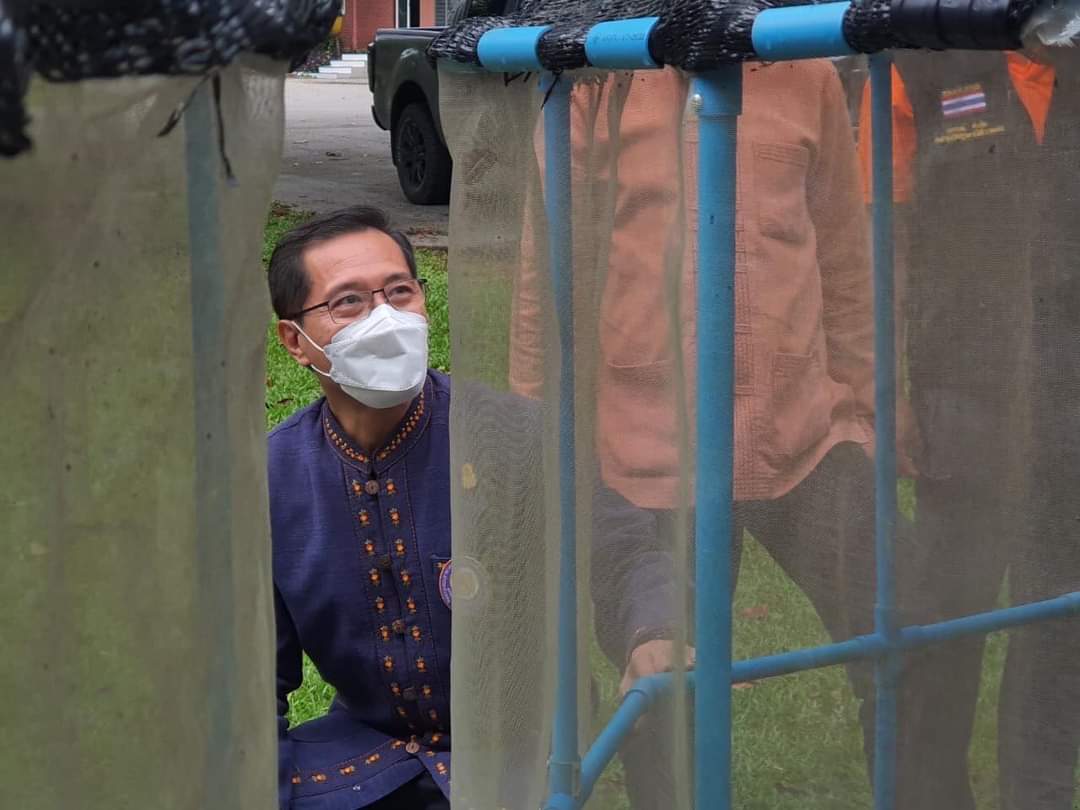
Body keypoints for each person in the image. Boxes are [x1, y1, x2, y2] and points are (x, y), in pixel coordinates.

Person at [509, 61, 917, 807]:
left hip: (803, 432)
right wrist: (534, 433)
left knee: (912, 639)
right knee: (668, 683)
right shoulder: (599, 78)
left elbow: (843, 259)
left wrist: (867, 414)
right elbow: (549, 278)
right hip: (649, 445)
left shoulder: (806, 72)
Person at [266, 205, 685, 810]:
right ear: (294, 341)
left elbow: (624, 551)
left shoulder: (516, 435)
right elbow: (252, 683)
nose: (385, 318)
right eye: (349, 302)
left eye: (400, 292)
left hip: (520, 751)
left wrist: (654, 631)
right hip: (363, 757)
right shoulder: (273, 477)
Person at [859, 49, 1080, 810]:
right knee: (948, 620)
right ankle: (932, 795)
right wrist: (889, 390)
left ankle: (1038, 795)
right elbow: (880, 241)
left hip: (1070, 403)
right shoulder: (914, 64)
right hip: (960, 394)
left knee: (1059, 622)